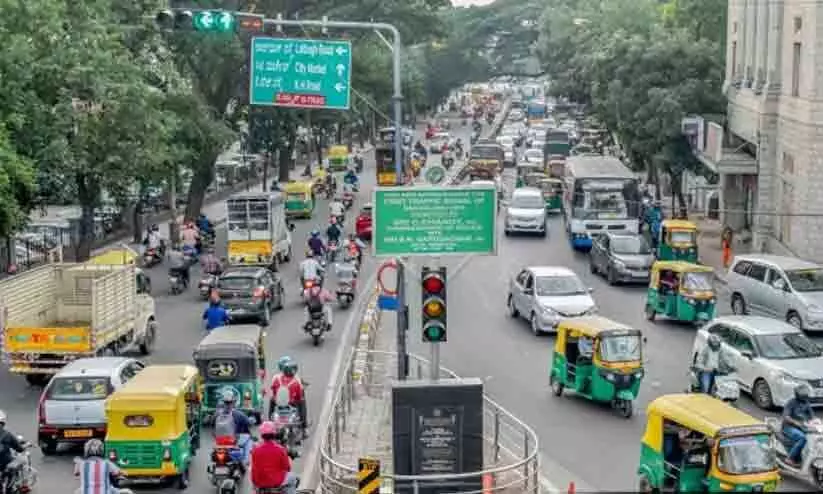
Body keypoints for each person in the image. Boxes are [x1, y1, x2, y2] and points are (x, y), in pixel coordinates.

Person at [251, 421, 298, 494]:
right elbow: (287, 468)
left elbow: (254, 468)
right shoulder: (280, 449)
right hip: (277, 482)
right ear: (274, 434)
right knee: (293, 477)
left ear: (262, 435)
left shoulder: (256, 450)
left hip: (259, 483)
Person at [214, 391, 253, 469]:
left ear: (223, 402)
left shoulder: (217, 414)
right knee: (248, 441)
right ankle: (245, 461)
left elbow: (212, 425)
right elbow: (249, 423)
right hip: (233, 441)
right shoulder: (238, 414)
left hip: (219, 441)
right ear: (233, 402)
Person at [270, 361, 308, 436]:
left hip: (279, 403)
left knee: (271, 400)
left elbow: (273, 391)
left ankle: (269, 422)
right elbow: (299, 396)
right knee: (302, 402)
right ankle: (304, 427)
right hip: (291, 404)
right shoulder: (296, 381)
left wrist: (275, 398)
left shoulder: (277, 379)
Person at [782, 383, 816, 467]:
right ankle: (790, 458)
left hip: (803, 427)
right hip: (789, 427)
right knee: (802, 438)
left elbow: (812, 416)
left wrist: (816, 422)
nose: (806, 397)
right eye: (804, 395)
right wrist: (795, 422)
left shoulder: (806, 403)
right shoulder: (791, 403)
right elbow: (786, 417)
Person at [0, 410, 26, 487]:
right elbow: (19, 449)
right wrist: (24, 447)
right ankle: (10, 487)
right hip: (4, 461)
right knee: (20, 461)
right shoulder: (7, 434)